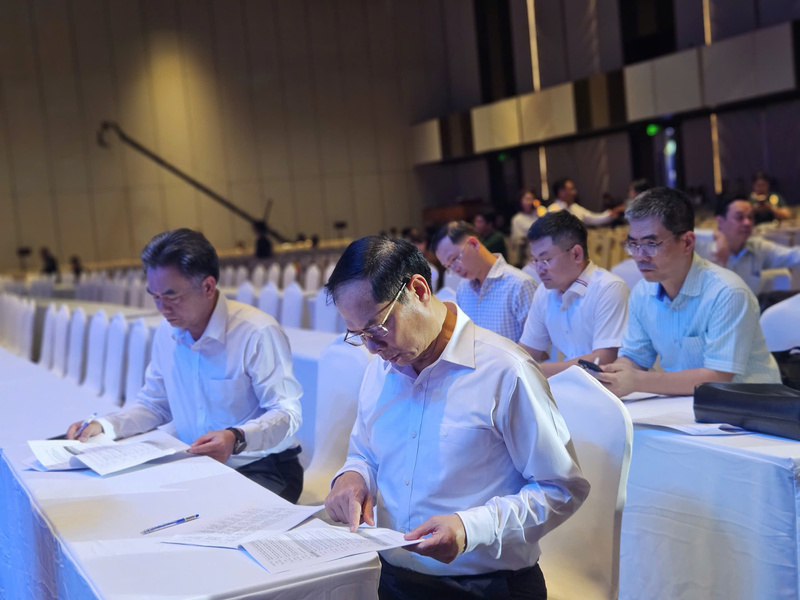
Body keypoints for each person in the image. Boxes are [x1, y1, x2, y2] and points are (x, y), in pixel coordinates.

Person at [322, 236, 589, 599]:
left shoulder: (504, 370)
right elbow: (365, 453)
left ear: (417, 289)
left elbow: (562, 488)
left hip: (487, 585)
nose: (372, 347)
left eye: (377, 327)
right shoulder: (380, 370)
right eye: (358, 335)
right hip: (394, 577)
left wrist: (469, 527)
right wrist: (352, 477)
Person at [66, 228, 304, 502]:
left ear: (207, 286)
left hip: (263, 466)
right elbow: (154, 404)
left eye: (172, 296)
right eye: (155, 296)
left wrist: (236, 437)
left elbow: (287, 413)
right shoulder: (166, 333)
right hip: (198, 464)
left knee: (217, 525)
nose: (162, 308)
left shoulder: (255, 332)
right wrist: (105, 425)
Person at [593, 188, 781, 398]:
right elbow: (635, 358)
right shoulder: (642, 293)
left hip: (751, 409)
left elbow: (718, 377)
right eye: (633, 244)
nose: (639, 256)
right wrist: (615, 374)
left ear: (687, 242)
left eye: (650, 244)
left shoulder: (727, 292)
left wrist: (637, 380)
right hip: (686, 409)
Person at [520, 211, 629, 377]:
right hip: (571, 386)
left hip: (613, 388)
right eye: (535, 260)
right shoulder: (544, 292)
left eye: (545, 260)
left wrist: (535, 371)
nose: (539, 269)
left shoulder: (608, 288)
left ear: (576, 254)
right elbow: (527, 351)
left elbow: (604, 359)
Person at [432, 221, 537, 343]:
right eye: (448, 266)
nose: (455, 269)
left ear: (473, 244)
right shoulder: (463, 288)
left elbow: (537, 347)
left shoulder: (520, 284)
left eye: (454, 259)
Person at [711, 195, 800, 294]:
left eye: (750, 217)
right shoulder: (704, 249)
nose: (747, 223)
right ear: (720, 221)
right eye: (739, 217)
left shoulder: (757, 248)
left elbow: (794, 256)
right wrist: (716, 235)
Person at [548, 178, 624, 227]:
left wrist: (613, 212)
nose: (574, 192)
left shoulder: (575, 207)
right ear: (561, 192)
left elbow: (594, 218)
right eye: (571, 189)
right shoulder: (553, 209)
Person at [510, 190, 543, 265]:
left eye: (532, 199)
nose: (530, 202)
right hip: (528, 255)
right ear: (520, 201)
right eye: (527, 199)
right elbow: (517, 240)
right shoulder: (517, 219)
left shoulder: (538, 215)